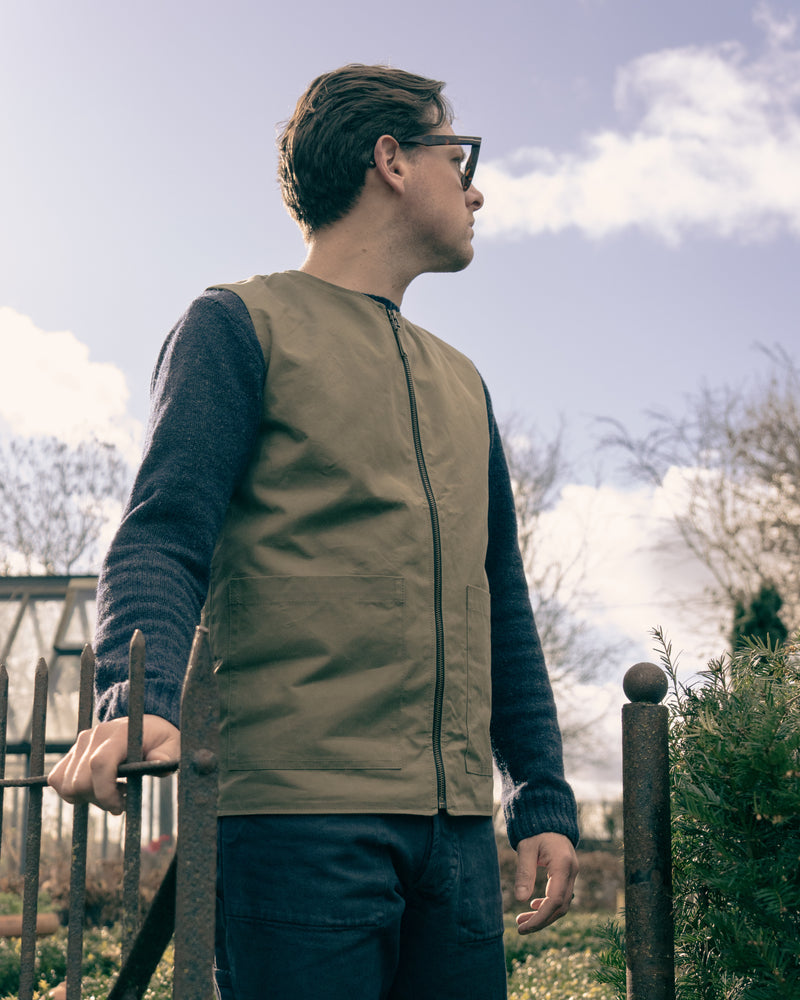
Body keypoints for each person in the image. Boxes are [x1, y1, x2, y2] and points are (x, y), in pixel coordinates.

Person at [48, 64, 579, 999]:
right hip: (298, 825)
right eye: (460, 155)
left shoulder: (465, 383)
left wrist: (539, 793)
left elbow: (501, 599)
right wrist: (141, 697)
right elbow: (162, 536)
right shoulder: (237, 327)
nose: (477, 186)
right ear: (393, 161)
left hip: (456, 839)